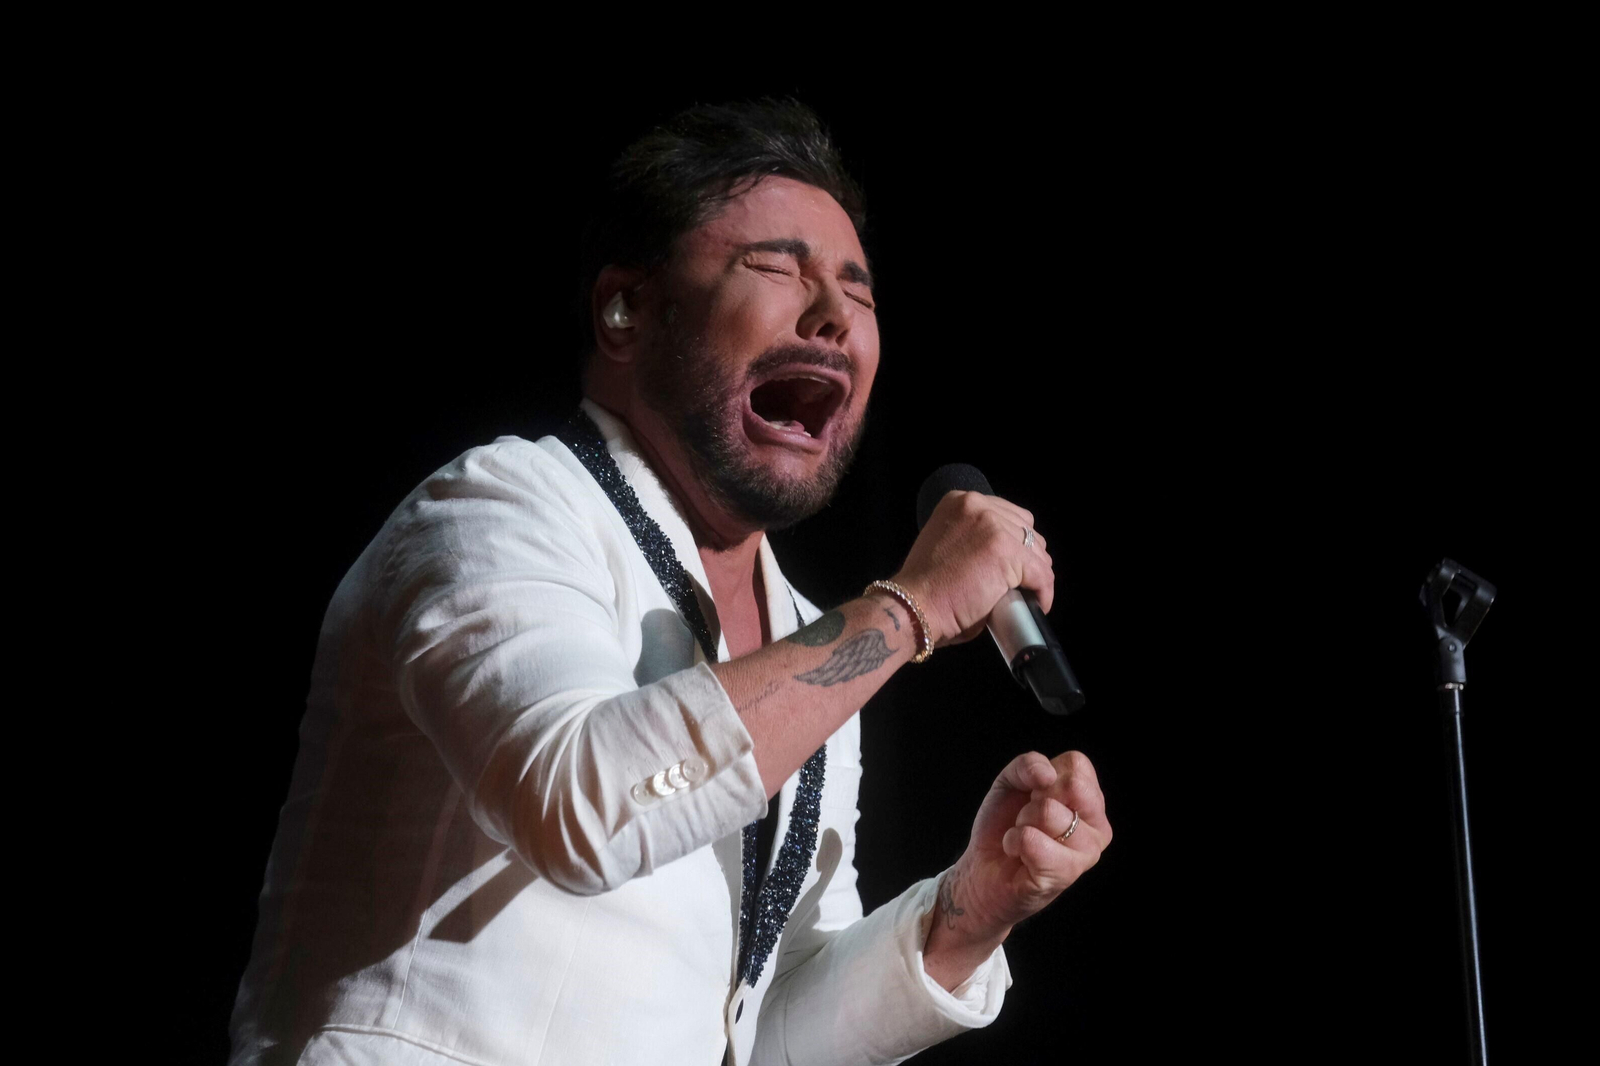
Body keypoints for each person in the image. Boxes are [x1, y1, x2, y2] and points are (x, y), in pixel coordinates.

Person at [229, 98, 1111, 1066]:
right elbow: (582, 805)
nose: (830, 314)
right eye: (775, 267)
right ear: (627, 310)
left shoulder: (807, 632)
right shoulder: (500, 506)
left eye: (858, 296)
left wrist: (964, 915)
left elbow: (757, 1032)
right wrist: (909, 608)